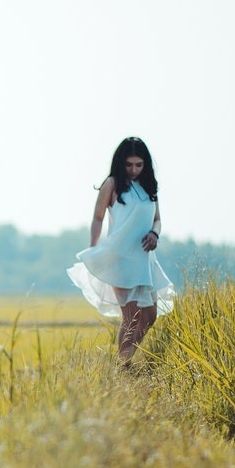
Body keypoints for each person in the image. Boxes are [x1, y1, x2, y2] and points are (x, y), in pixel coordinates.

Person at [67, 136, 176, 364]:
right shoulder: (112, 184)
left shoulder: (149, 187)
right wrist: (94, 249)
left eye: (139, 165)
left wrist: (155, 234)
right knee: (132, 317)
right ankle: (124, 365)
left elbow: (157, 219)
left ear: (145, 164)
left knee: (150, 315)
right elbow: (97, 218)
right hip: (119, 259)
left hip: (145, 259)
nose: (134, 170)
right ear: (120, 162)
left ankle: (123, 361)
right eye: (129, 165)